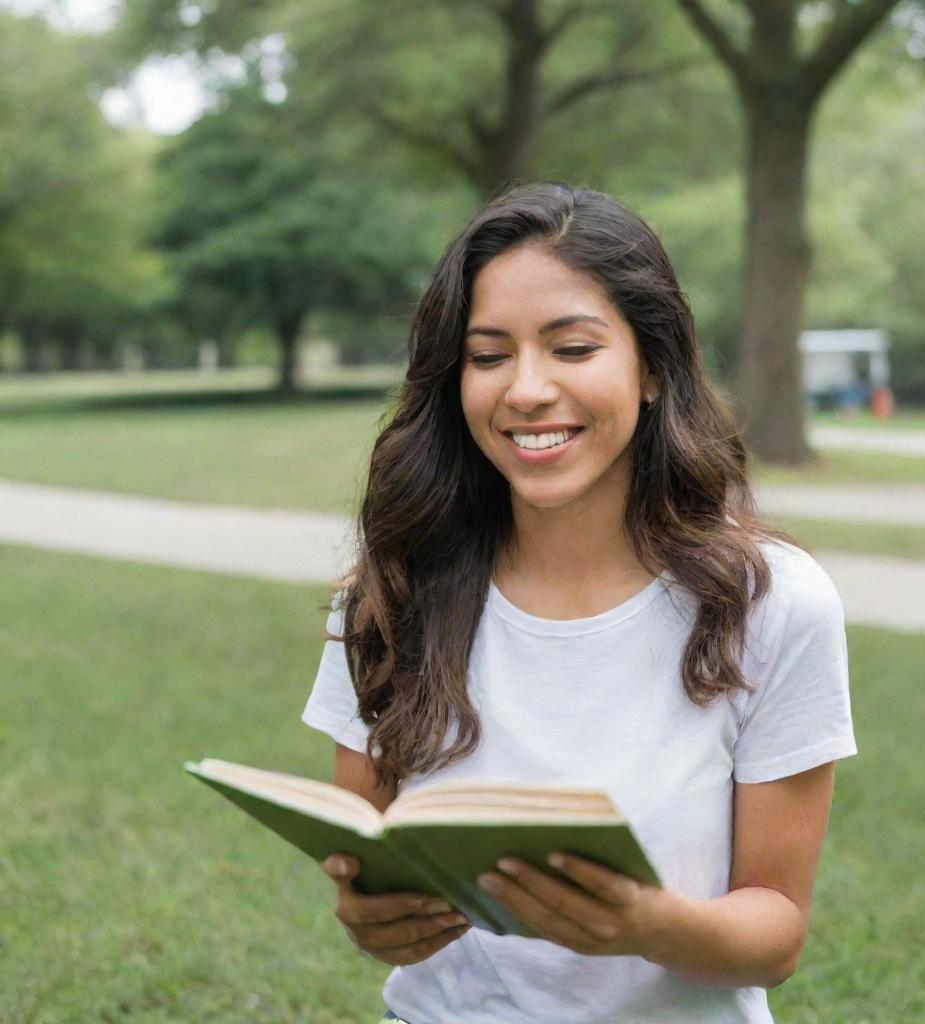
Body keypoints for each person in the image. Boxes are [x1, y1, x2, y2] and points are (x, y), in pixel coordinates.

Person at [301, 182, 857, 1024]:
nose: (525, 389)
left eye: (572, 348)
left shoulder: (772, 603)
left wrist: (648, 925)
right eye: (488, 356)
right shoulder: (395, 587)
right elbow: (366, 877)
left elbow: (775, 933)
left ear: (654, 370)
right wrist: (372, 919)